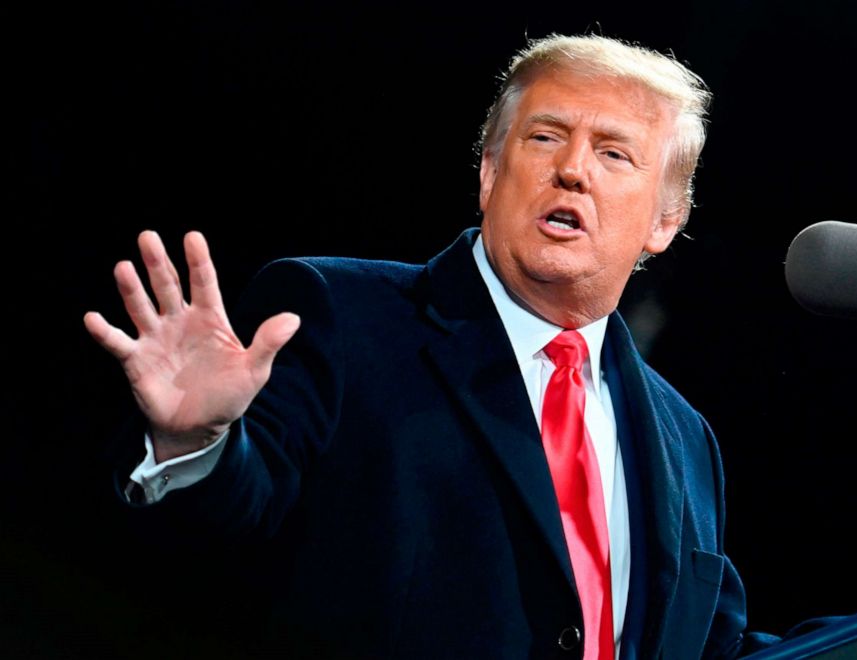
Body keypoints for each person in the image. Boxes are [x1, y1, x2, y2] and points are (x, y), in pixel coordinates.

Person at [85, 34, 777, 659]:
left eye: (613, 153)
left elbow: (714, 645)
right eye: (544, 137)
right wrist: (196, 445)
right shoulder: (341, 317)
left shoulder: (686, 439)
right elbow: (232, 530)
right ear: (488, 172)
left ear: (665, 219)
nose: (572, 170)